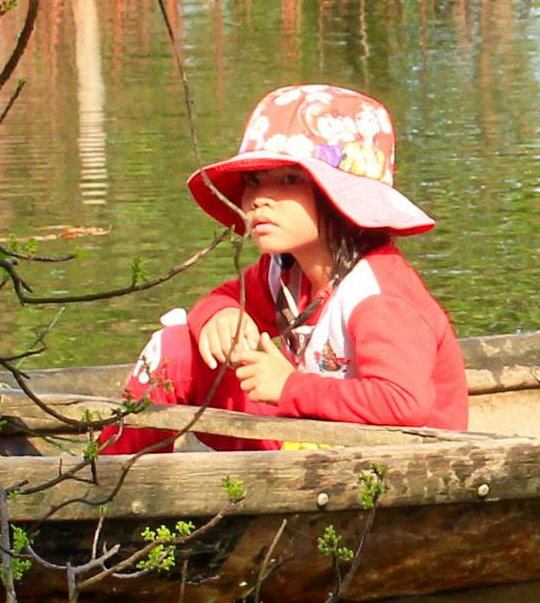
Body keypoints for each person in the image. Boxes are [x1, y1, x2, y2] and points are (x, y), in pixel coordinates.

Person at [101, 83, 470, 450]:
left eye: (290, 180)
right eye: (253, 181)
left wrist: (288, 387)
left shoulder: (379, 296)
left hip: (395, 468)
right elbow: (225, 296)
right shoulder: (285, 272)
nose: (259, 198)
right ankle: (115, 479)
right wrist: (222, 315)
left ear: (342, 196)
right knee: (177, 346)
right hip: (317, 443)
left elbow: (403, 404)